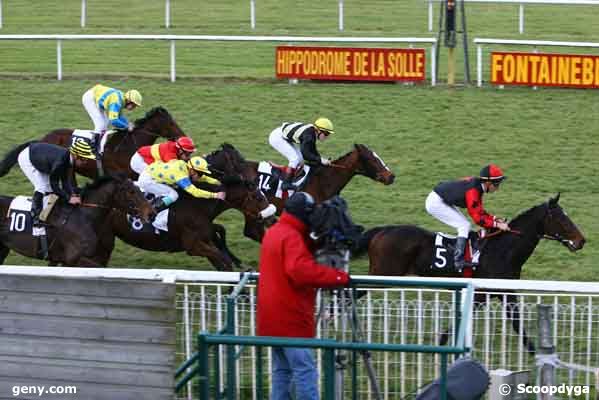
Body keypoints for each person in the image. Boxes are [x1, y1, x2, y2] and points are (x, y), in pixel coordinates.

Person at [257, 192, 350, 400]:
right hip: (291, 318)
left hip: (270, 317)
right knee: (304, 370)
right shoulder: (292, 236)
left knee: (282, 371)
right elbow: (299, 270)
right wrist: (338, 277)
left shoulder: (276, 231)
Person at [425, 164, 510, 272]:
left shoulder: (478, 186)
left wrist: (494, 219)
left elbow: (479, 211)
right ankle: (458, 260)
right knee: (464, 225)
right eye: (496, 184)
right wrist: (497, 225)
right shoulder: (473, 191)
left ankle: (462, 255)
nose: (497, 188)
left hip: (443, 199)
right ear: (488, 182)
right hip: (436, 203)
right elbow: (478, 219)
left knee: (465, 225)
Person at [17, 141, 96, 226]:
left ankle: (45, 215)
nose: (86, 162)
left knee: (49, 190)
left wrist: (73, 195)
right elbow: (54, 184)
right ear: (75, 155)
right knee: (42, 187)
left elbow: (65, 181)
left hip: (41, 157)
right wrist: (69, 198)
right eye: (84, 159)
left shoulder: (68, 160)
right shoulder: (61, 162)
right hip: (27, 158)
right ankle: (35, 218)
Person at [137, 155, 226, 213]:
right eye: (200, 173)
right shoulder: (181, 176)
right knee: (174, 195)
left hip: (150, 172)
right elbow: (195, 192)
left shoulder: (184, 164)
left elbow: (200, 178)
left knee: (173, 188)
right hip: (148, 180)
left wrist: (216, 182)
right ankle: (153, 210)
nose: (201, 175)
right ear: (191, 170)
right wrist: (215, 195)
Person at [268, 117, 335, 190]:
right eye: (326, 133)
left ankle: (287, 174)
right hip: (277, 137)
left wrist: (321, 160)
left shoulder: (312, 133)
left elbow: (312, 150)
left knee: (300, 159)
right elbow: (306, 154)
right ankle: (286, 183)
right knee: (295, 159)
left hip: (283, 136)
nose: (327, 136)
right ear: (318, 130)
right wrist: (321, 160)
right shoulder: (309, 136)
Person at [81, 84, 142, 155]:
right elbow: (114, 120)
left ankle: (99, 142)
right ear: (129, 101)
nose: (134, 108)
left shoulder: (121, 99)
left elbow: (119, 116)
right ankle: (93, 147)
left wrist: (127, 123)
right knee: (100, 124)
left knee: (105, 123)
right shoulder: (117, 102)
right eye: (134, 105)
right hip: (90, 99)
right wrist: (127, 126)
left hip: (95, 96)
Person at [130, 136, 196, 176]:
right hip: (139, 161)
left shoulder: (175, 146)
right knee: (155, 177)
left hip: (145, 155)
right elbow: (177, 170)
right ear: (181, 150)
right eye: (188, 154)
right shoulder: (170, 155)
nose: (189, 156)